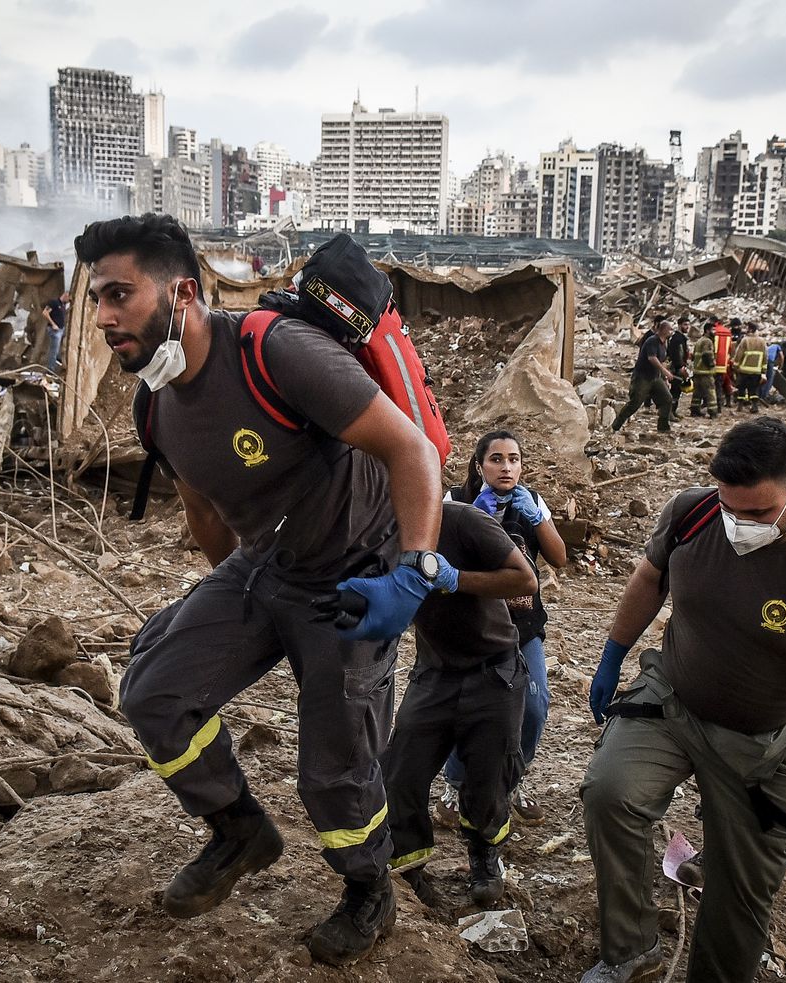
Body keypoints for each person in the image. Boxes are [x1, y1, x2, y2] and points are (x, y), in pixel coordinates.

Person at [76, 213, 447, 967]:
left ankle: (369, 887)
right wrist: (235, 609)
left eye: (120, 293)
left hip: (355, 568)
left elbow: (411, 449)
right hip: (268, 562)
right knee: (154, 690)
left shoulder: (276, 352)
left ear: (181, 290)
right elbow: (203, 504)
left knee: (332, 773)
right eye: (96, 299)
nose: (105, 315)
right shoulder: (154, 403)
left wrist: (413, 573)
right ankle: (241, 830)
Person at [582, 417, 786, 983]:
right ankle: (631, 948)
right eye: (731, 508)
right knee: (609, 793)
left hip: (766, 739)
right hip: (672, 704)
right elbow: (649, 580)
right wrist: (612, 656)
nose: (739, 524)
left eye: (757, 513)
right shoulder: (693, 514)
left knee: (742, 888)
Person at [382, 500, 537, 908]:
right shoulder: (376, 531)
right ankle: (409, 865)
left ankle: (484, 854)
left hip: (493, 671)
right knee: (400, 773)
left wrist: (455, 579)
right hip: (434, 673)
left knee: (487, 779)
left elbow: (525, 580)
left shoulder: (462, 521)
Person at [435, 430, 568, 828]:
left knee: (534, 704)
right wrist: (471, 519)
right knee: (466, 705)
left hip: (522, 625)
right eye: (496, 459)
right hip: (469, 624)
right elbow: (438, 558)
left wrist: (537, 517)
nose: (506, 467)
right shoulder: (455, 501)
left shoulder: (531, 501)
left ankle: (509, 781)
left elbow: (560, 558)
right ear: (480, 465)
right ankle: (456, 784)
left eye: (513, 459)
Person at [613, 317, 675, 434]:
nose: (672, 332)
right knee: (635, 403)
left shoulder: (664, 344)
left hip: (655, 377)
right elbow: (652, 358)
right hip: (642, 377)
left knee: (667, 399)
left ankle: (663, 427)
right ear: (664, 330)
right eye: (670, 329)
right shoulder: (652, 340)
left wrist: (665, 378)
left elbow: (662, 361)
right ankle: (616, 426)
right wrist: (665, 371)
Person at [730, 322, 767, 413]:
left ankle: (740, 406)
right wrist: (763, 370)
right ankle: (754, 406)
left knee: (742, 388)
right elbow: (765, 356)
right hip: (756, 371)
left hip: (744, 370)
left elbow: (739, 354)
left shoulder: (745, 340)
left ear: (750, 329)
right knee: (753, 390)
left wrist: (735, 366)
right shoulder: (762, 341)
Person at [690, 320, 720, 419]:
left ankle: (694, 410)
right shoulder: (708, 341)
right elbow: (707, 355)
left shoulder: (699, 340)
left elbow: (694, 356)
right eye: (713, 330)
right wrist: (712, 365)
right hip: (705, 372)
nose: (714, 332)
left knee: (697, 392)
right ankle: (713, 412)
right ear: (707, 331)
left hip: (697, 371)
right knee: (710, 392)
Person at [667, 315, 692, 416]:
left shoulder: (681, 338)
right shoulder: (677, 339)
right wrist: (680, 366)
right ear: (679, 325)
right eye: (685, 325)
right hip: (677, 368)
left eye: (688, 325)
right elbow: (677, 354)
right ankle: (670, 412)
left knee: (677, 390)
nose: (687, 327)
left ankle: (673, 411)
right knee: (675, 390)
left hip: (679, 367)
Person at [42, 290, 69, 372]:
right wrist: (53, 324)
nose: (68, 301)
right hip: (55, 330)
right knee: (54, 350)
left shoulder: (62, 305)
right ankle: (50, 369)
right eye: (68, 298)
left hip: (61, 329)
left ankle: (57, 362)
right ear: (65, 295)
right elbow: (45, 313)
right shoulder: (54, 303)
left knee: (58, 349)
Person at [758, 334, 785, 404]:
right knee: (770, 378)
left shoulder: (769, 347)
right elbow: (781, 357)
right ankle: (764, 396)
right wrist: (780, 367)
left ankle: (758, 395)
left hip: (762, 360)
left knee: (763, 378)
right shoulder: (778, 346)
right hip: (769, 361)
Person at [713, 319, 734, 409]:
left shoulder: (715, 331)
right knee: (726, 382)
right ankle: (728, 402)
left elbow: (713, 348)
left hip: (715, 364)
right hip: (726, 363)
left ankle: (718, 404)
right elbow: (730, 348)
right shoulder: (728, 332)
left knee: (716, 385)